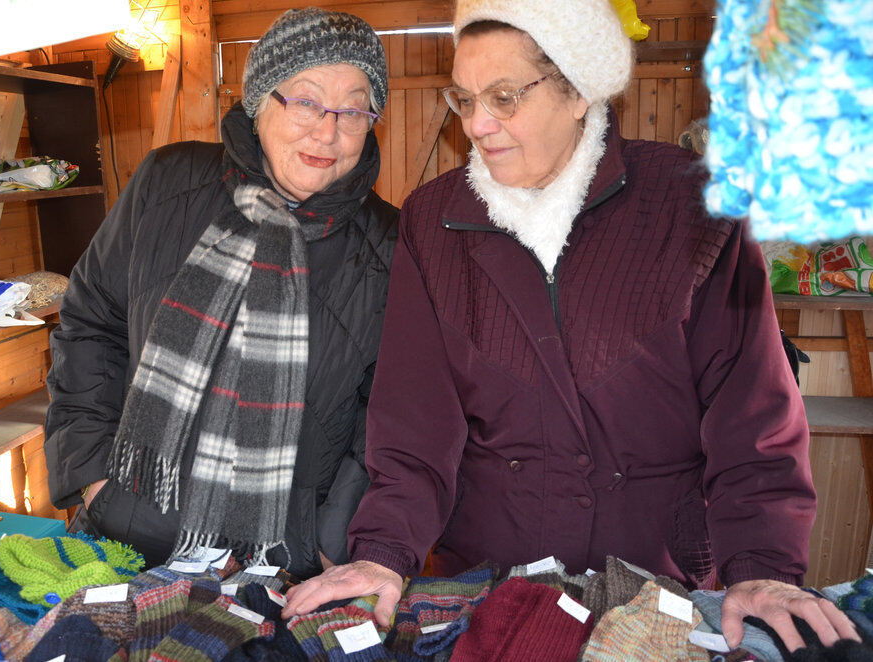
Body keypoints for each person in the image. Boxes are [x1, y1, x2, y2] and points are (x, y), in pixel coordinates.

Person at [283, 0, 859, 651]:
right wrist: (384, 551)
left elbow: (752, 420)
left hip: (654, 587)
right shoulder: (434, 222)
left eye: (504, 97)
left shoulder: (696, 206)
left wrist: (762, 566)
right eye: (464, 99)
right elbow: (415, 423)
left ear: (580, 89)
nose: (477, 124)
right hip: (489, 589)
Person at [44, 7, 397, 579]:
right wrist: (92, 477)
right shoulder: (166, 182)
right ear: (259, 100)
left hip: (281, 565)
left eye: (353, 110)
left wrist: (329, 544)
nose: (327, 132)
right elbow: (91, 323)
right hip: (124, 535)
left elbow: (389, 411)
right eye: (305, 101)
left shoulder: (389, 245)